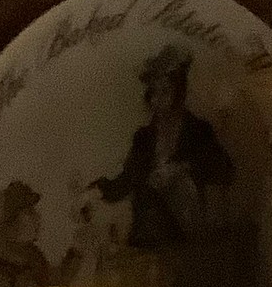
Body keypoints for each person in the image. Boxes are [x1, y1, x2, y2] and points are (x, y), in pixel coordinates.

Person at [91, 46, 234, 257]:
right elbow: (127, 179)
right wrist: (99, 188)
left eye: (165, 90)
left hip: (184, 226)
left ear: (178, 91)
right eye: (154, 92)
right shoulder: (144, 138)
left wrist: (181, 169)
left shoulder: (197, 130)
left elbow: (225, 172)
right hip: (148, 227)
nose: (158, 99)